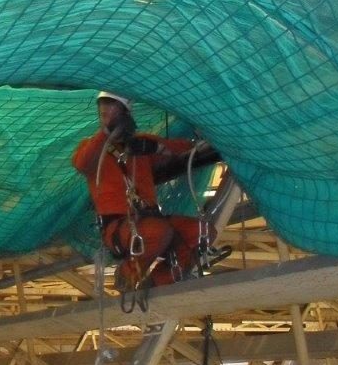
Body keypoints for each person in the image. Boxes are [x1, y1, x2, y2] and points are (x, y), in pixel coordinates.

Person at [73, 91, 225, 292]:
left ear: (125, 115)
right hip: (120, 226)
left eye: (112, 111)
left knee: (203, 232)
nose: (106, 115)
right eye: (103, 111)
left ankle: (156, 284)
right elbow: (82, 162)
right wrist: (107, 134)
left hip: (151, 220)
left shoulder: (139, 146)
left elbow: (182, 150)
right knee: (158, 232)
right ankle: (128, 274)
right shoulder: (93, 149)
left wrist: (155, 148)